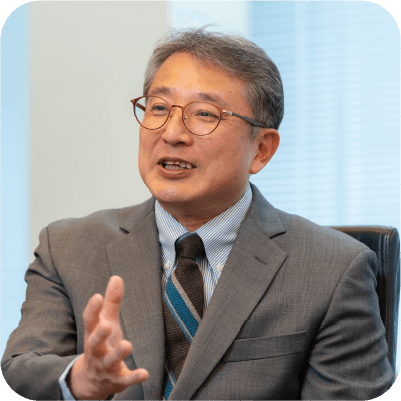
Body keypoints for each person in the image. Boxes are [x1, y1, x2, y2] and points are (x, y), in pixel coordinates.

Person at [1, 27, 394, 401]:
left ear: (261, 150)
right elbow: (19, 373)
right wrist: (80, 379)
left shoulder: (333, 270)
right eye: (158, 107)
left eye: (204, 114)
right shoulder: (67, 248)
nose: (172, 133)